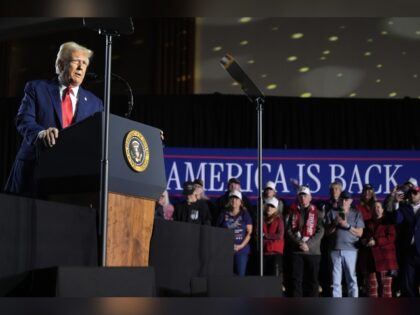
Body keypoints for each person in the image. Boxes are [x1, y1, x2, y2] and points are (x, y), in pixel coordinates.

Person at [4, 41, 103, 197]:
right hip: (33, 171)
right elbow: (23, 120)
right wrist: (41, 133)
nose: (81, 67)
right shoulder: (37, 88)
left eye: (85, 63)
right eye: (76, 61)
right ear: (60, 64)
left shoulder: (95, 103)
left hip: (71, 180)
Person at [285, 185, 324, 297]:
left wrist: (309, 244)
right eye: (301, 196)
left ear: (310, 197)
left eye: (305, 196)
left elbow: (321, 231)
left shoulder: (317, 212)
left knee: (312, 281)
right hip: (297, 251)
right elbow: (288, 230)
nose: (303, 198)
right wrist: (299, 243)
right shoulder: (292, 211)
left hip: (313, 252)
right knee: (296, 281)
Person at [324, 191, 365, 297]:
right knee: (335, 281)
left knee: (351, 278)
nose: (344, 201)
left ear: (350, 201)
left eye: (346, 200)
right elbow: (326, 232)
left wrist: (347, 226)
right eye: (342, 199)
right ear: (339, 200)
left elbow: (360, 233)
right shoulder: (331, 212)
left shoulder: (356, 213)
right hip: (335, 250)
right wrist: (334, 224)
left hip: (350, 250)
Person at [362, 201, 398, 297]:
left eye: (378, 207)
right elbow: (363, 236)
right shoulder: (367, 223)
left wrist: (376, 241)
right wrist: (364, 240)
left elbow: (391, 237)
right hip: (371, 260)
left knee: (386, 289)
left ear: (382, 210)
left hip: (385, 260)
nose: (376, 209)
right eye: (374, 207)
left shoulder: (388, 222)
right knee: (372, 288)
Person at [217, 190, 253, 276]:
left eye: (237, 199)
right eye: (232, 198)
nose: (234, 201)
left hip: (241, 250)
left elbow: (249, 233)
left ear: (241, 201)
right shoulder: (223, 213)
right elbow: (217, 231)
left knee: (240, 275)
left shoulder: (245, 214)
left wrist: (240, 246)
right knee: (225, 275)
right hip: (225, 249)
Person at [393, 185, 420, 296]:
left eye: (415, 192)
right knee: (409, 285)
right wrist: (396, 203)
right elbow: (397, 220)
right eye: (410, 193)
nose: (412, 195)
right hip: (409, 253)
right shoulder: (404, 209)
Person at [355, 183, 377, 296]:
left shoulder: (377, 206)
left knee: (374, 275)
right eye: (365, 191)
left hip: (375, 243)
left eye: (370, 191)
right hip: (362, 243)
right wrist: (362, 239)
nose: (368, 193)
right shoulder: (358, 207)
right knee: (363, 272)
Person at [263, 197, 284, 280]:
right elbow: (257, 235)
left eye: (272, 206)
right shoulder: (261, 219)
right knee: (263, 277)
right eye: (268, 206)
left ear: (276, 209)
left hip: (275, 254)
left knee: (274, 278)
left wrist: (265, 235)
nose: (269, 208)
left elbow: (279, 236)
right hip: (263, 253)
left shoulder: (279, 220)